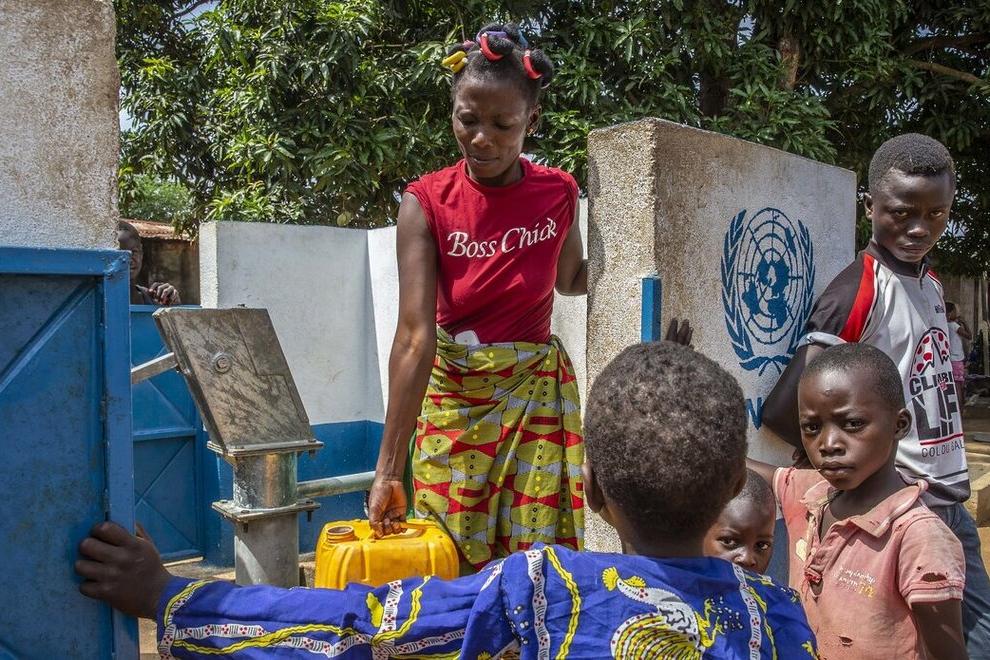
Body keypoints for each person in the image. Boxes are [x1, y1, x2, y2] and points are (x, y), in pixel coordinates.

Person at [76, 341, 817, 658]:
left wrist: (167, 596)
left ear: (588, 488)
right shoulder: (781, 621)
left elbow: (355, 627)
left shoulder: (540, 589)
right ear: (735, 486)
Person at [367, 23, 599, 572]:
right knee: (448, 556)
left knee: (535, 564)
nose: (481, 139)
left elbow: (570, 278)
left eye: (503, 124)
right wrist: (388, 470)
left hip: (533, 401)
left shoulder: (558, 192)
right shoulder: (426, 202)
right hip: (454, 401)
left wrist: (636, 262)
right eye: (467, 120)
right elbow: (415, 337)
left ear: (531, 121)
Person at [761, 133, 990, 654]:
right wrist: (853, 473)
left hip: (948, 499)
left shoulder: (929, 283)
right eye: (902, 212)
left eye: (936, 214)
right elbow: (789, 407)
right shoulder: (859, 290)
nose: (919, 228)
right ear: (869, 207)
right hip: (901, 510)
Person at [750, 344, 965, 658]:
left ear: (899, 425)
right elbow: (730, 463)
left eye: (852, 424)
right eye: (812, 428)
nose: (828, 444)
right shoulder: (813, 493)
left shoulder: (918, 538)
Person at [703, 468, 776, 575]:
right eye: (729, 542)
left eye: (761, 545)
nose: (747, 559)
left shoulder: (773, 587)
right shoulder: (677, 584)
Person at [117, 220, 181, 306]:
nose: (129, 260)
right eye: (120, 253)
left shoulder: (152, 298)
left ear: (141, 253)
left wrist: (173, 303)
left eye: (134, 252)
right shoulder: (100, 300)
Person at [946, 301, 972, 400]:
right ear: (949, 313)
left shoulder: (944, 325)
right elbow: (969, 336)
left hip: (948, 360)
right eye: (955, 311)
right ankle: (960, 408)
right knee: (958, 387)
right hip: (956, 360)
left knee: (951, 386)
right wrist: (964, 322)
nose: (957, 313)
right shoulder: (954, 326)